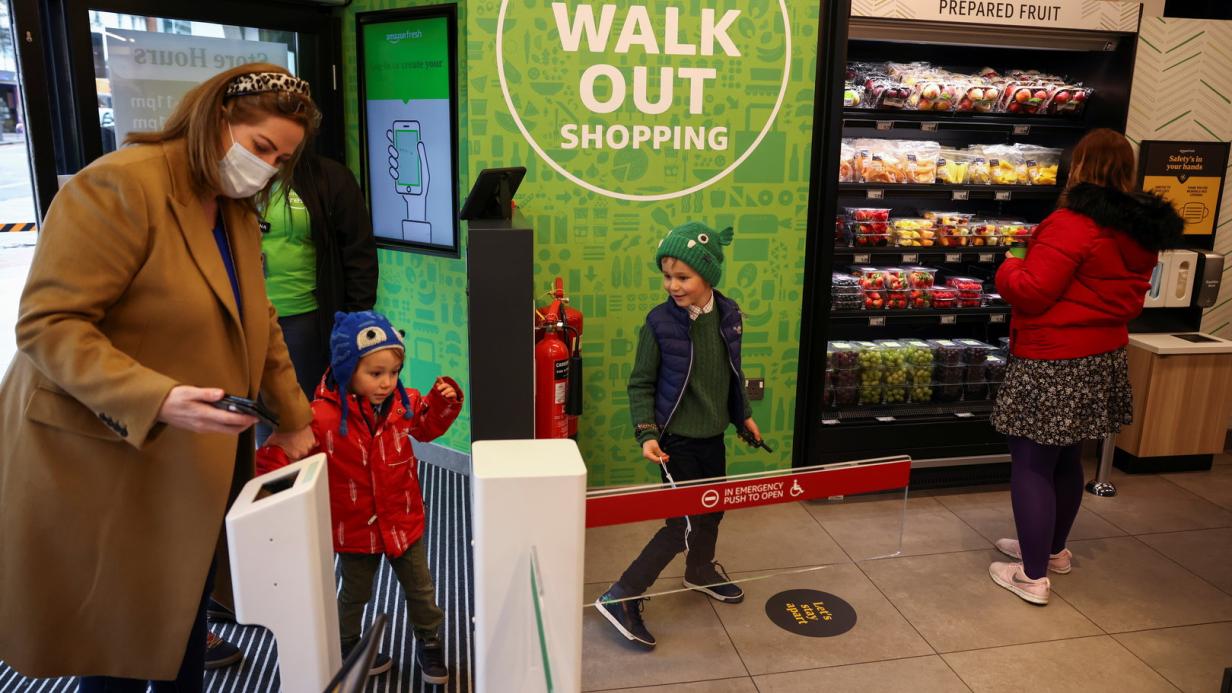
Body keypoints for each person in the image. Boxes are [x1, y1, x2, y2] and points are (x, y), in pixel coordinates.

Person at [0, 63, 320, 689]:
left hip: (189, 457)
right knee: (114, 637)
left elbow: (258, 317)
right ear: (217, 120)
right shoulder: (121, 186)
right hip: (102, 454)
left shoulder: (229, 205)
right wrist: (160, 398)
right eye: (260, 148)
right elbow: (48, 324)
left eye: (281, 160)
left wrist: (295, 418)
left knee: (180, 617)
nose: (267, 169)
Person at [989, 128, 1183, 605]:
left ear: (1080, 167)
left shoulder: (1072, 222)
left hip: (1053, 357)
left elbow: (1032, 290)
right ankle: (1051, 551)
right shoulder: (1141, 229)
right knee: (1068, 458)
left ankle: (1031, 577)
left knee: (1032, 463)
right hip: (1102, 357)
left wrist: (1010, 262)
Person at [256, 310, 463, 684]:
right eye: (376, 373)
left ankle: (429, 641)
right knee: (354, 595)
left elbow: (428, 427)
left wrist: (443, 400)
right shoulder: (320, 417)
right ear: (346, 367)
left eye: (394, 373)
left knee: (421, 590)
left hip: (403, 520)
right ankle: (347, 643)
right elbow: (284, 451)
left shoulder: (403, 404)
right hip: (354, 528)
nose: (387, 382)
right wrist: (266, 483)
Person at [595, 222, 762, 650]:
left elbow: (730, 374)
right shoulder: (658, 324)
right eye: (667, 275)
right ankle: (620, 596)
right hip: (675, 443)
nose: (673, 285)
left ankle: (700, 570)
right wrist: (646, 433)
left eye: (682, 276)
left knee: (713, 510)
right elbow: (641, 384)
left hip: (711, 437)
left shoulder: (729, 315)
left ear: (709, 276)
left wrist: (742, 416)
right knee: (681, 523)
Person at [253, 150, 378, 442]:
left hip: (305, 321)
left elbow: (359, 252)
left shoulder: (328, 177)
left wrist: (357, 322)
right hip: (247, 318)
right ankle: (274, 479)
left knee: (309, 415)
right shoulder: (235, 177)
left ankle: (317, 482)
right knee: (260, 415)